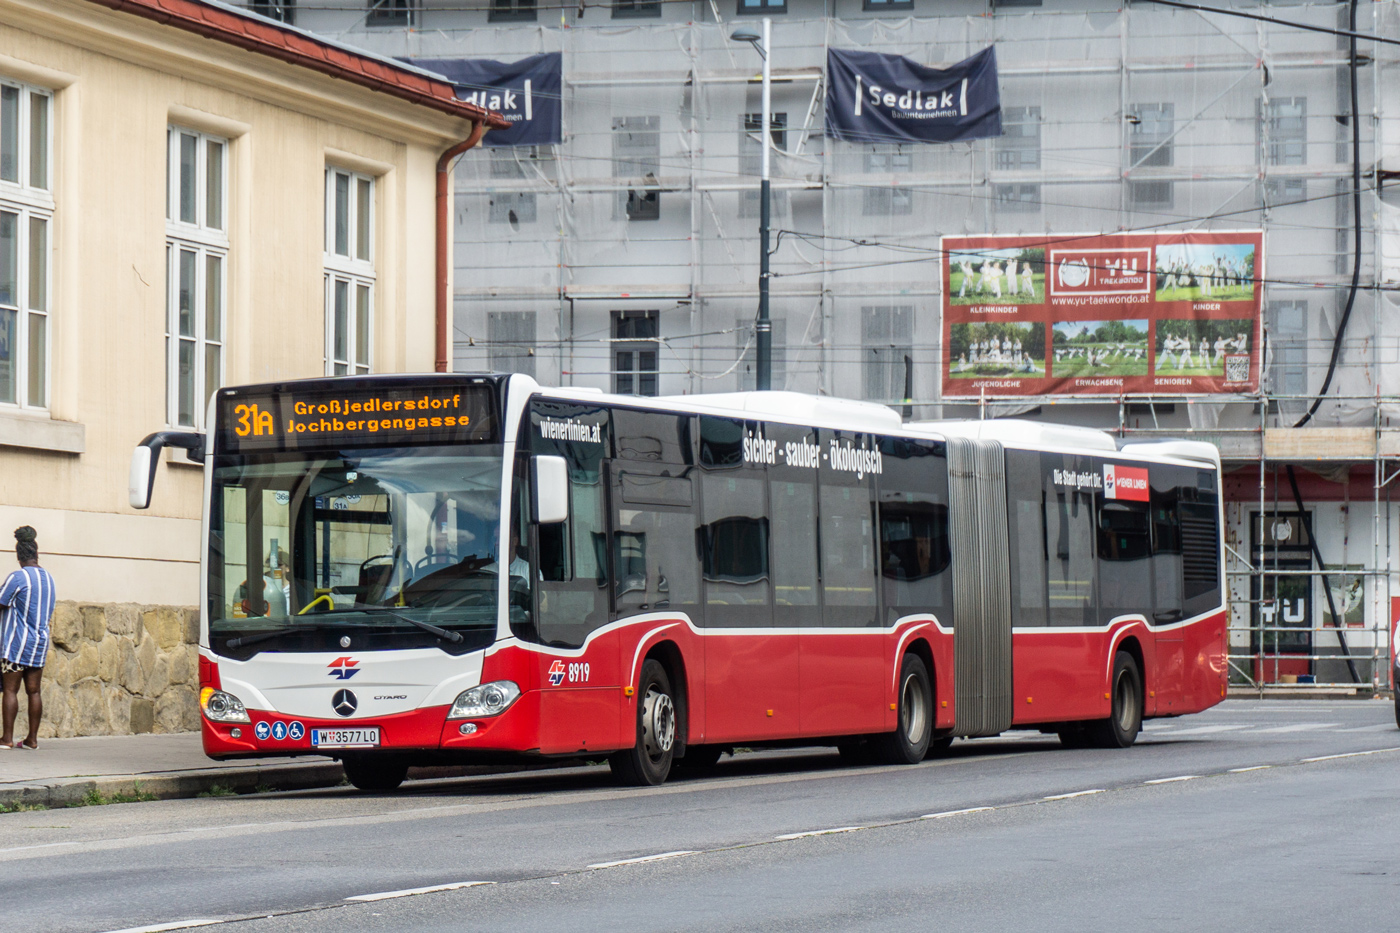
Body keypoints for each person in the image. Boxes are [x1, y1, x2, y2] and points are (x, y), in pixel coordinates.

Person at [0, 526, 55, 750]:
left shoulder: (18, 577)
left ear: (19, 556)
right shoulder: (49, 578)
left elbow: (2, 601)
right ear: (36, 553)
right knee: (34, 691)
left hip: (16, 643)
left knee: (11, 690)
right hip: (39, 643)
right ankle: (32, 740)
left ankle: (7, 739)